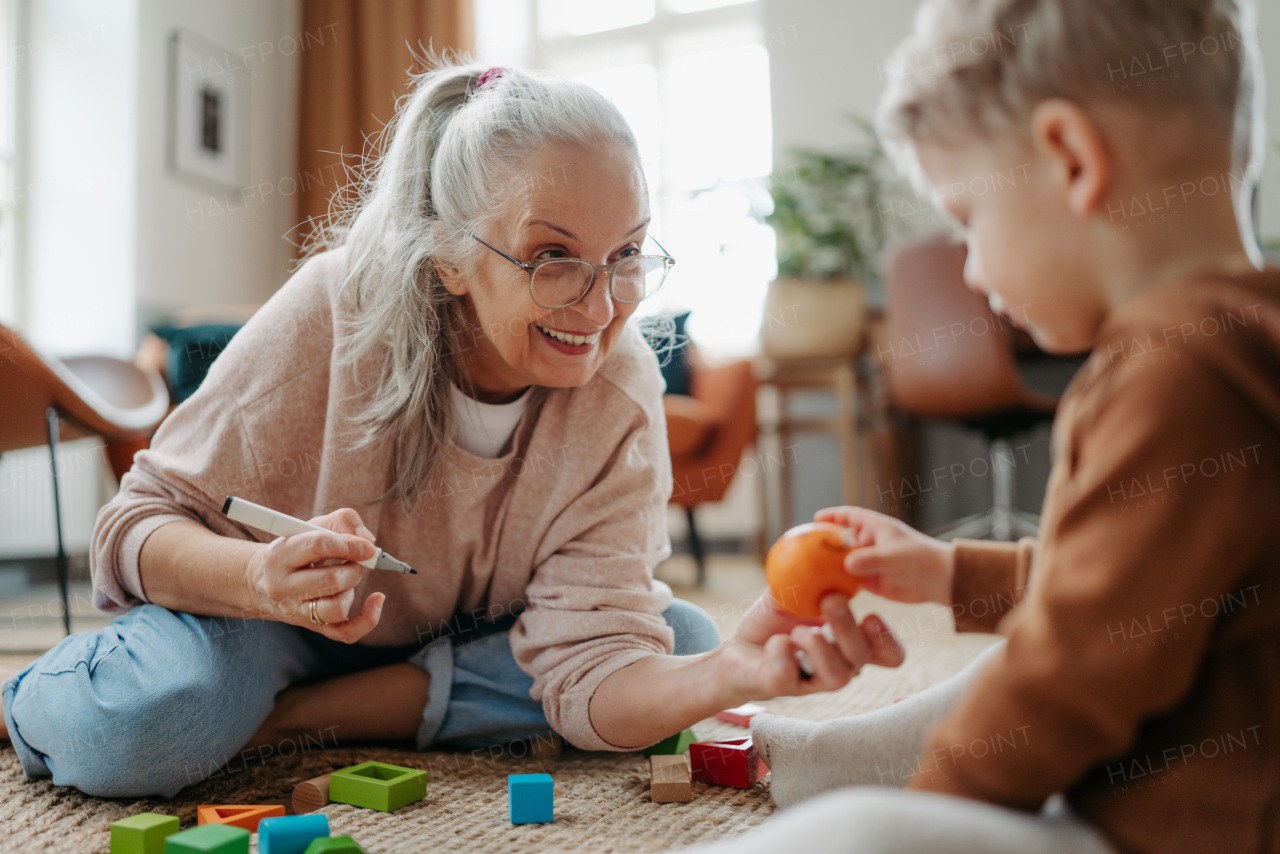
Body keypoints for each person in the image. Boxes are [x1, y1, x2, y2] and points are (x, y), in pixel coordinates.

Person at [0, 62, 905, 799]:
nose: (602, 307)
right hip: (263, 618)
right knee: (148, 722)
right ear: (449, 261)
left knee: (694, 645)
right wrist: (262, 581)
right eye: (554, 258)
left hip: (464, 634)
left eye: (627, 253)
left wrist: (734, 681)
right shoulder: (335, 308)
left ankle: (298, 715)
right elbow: (132, 525)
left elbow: (593, 667)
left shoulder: (619, 391)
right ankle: (30, 699)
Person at [669, 1, 1279, 853]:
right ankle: (840, 760)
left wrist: (931, 812)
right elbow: (1125, 589)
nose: (970, 267)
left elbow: (1065, 685)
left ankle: (852, 783)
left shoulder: (1175, 374)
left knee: (851, 832)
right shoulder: (1242, 344)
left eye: (968, 218)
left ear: (1071, 160)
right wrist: (951, 571)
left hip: (1174, 830)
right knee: (1020, 654)